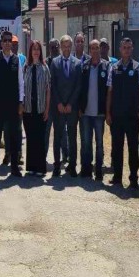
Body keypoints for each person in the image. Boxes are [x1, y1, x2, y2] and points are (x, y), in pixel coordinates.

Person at [106, 37, 139, 188]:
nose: (127, 50)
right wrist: (108, 113)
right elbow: (109, 91)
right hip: (116, 115)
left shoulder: (138, 67)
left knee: (133, 147)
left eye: (129, 47)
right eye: (124, 47)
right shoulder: (113, 68)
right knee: (117, 147)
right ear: (120, 49)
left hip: (132, 116)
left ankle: (133, 178)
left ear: (132, 49)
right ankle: (117, 177)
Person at [0, 31, 25, 178]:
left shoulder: (17, 60)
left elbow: (21, 83)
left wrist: (21, 102)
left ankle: (15, 168)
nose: (7, 43)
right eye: (4, 40)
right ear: (1, 43)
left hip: (13, 105)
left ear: (12, 43)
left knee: (14, 136)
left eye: (9, 40)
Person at [50, 35, 82, 177]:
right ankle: (57, 166)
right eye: (64, 46)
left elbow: (78, 86)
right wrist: (58, 103)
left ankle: (72, 166)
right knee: (57, 137)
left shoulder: (78, 63)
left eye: (69, 46)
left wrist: (70, 104)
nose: (67, 48)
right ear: (61, 47)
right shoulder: (54, 62)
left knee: (72, 138)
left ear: (71, 46)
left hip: (72, 108)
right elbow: (53, 85)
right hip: (58, 108)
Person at [79, 39, 109, 181]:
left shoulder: (106, 66)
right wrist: (80, 108)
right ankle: (86, 168)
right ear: (89, 50)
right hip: (85, 112)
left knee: (99, 143)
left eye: (97, 48)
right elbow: (80, 88)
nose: (95, 50)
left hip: (99, 112)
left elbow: (109, 91)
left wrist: (107, 111)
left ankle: (98, 170)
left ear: (100, 49)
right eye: (92, 48)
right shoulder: (84, 66)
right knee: (86, 142)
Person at [23, 40, 51, 177]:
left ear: (40, 52)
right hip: (27, 108)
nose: (35, 51)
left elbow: (48, 90)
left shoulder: (45, 68)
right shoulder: (25, 67)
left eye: (38, 49)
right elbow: (21, 87)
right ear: (30, 51)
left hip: (40, 108)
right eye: (33, 49)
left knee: (39, 138)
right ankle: (31, 167)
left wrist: (47, 109)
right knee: (30, 137)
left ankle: (40, 168)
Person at [44, 38, 66, 164]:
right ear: (49, 48)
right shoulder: (45, 62)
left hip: (60, 103)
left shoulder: (63, 62)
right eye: (51, 47)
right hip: (48, 104)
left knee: (62, 131)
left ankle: (65, 156)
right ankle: (43, 156)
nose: (54, 49)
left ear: (59, 47)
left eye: (56, 46)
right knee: (46, 132)